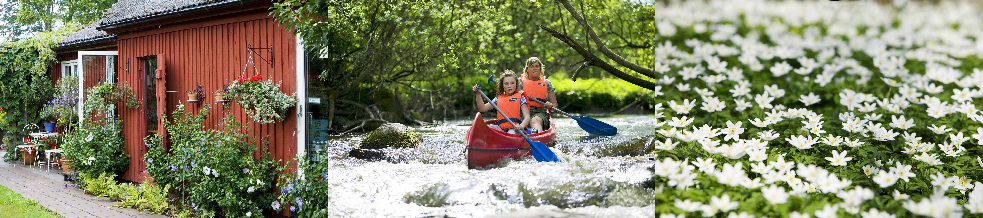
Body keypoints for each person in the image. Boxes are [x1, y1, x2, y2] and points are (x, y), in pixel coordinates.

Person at [473, 70, 530, 134]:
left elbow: (527, 117)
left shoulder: (521, 98)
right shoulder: (498, 98)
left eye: (512, 83)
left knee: (511, 133)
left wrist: (521, 126)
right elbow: (482, 108)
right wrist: (478, 94)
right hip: (501, 128)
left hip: (516, 129)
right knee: (487, 128)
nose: (509, 86)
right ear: (502, 85)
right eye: (506, 83)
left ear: (516, 84)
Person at [520, 57, 557, 133]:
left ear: (540, 69)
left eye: (537, 66)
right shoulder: (519, 82)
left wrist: (551, 106)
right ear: (527, 69)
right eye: (532, 66)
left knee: (534, 120)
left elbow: (555, 104)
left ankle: (537, 138)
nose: (535, 68)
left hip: (539, 113)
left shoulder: (547, 83)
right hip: (522, 113)